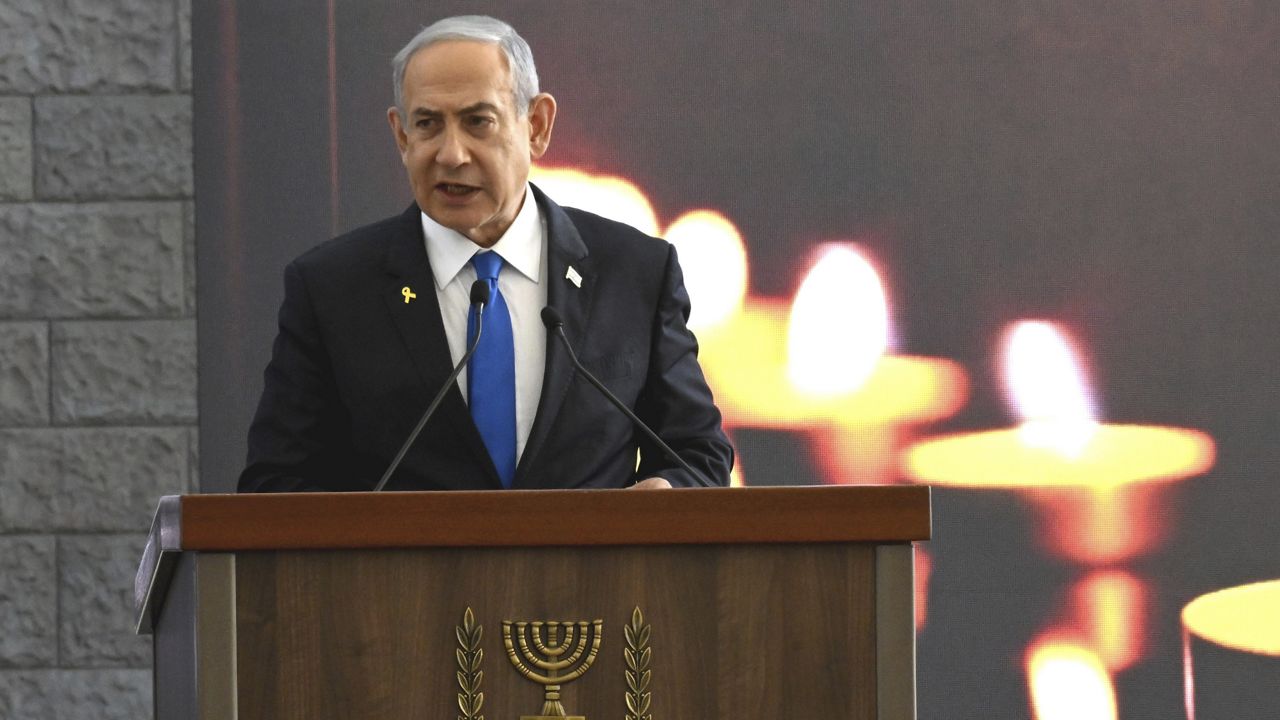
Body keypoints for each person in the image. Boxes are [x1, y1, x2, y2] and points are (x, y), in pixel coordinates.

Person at [238, 15, 733, 492]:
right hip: (402, 578)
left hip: (594, 578)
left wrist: (666, 491)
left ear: (536, 125)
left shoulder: (634, 271)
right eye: (428, 125)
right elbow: (276, 481)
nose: (451, 154)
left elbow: (697, 454)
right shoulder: (332, 288)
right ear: (401, 136)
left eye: (478, 122)